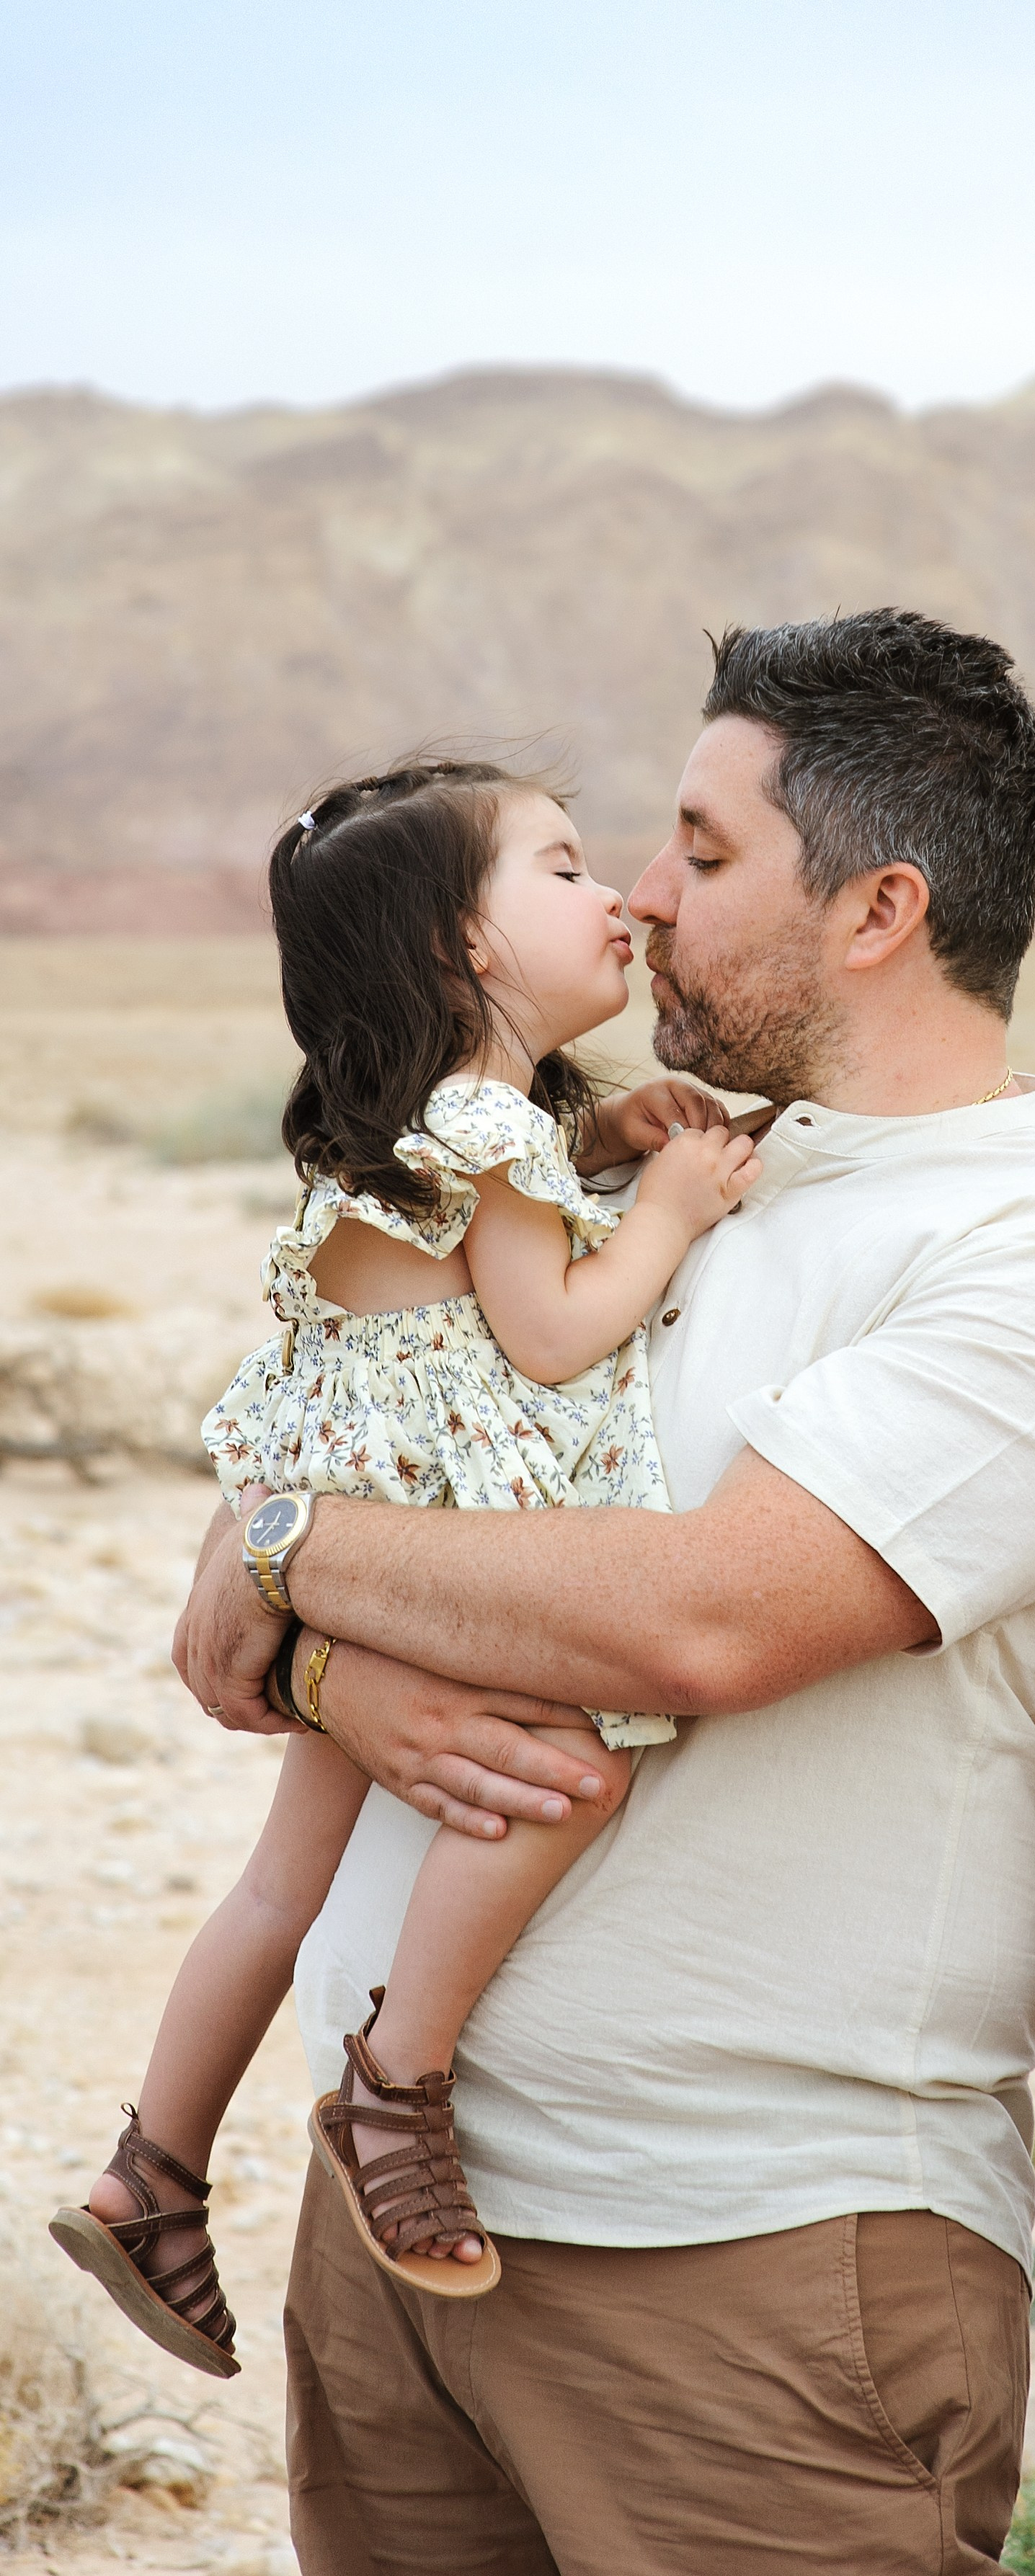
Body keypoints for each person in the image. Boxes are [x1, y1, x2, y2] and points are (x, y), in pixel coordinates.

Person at [172, 610, 1035, 2576]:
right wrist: (326, 1649)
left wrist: (293, 1554)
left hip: (751, 2263)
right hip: (393, 2228)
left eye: (705, 853)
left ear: (882, 906)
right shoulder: (649, 1183)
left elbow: (694, 1622)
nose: (643, 900)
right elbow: (252, 1597)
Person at [51, 757, 761, 2376]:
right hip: (447, 1527)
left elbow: (491, 1239)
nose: (616, 900)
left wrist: (597, 1143)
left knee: (281, 1885)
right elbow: (559, 1332)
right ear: (467, 950)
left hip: (340, 1502)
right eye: (568, 870)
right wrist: (669, 1205)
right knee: (564, 1772)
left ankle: (152, 2171)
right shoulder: (490, 1125)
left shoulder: (453, 1120)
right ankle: (402, 2082)